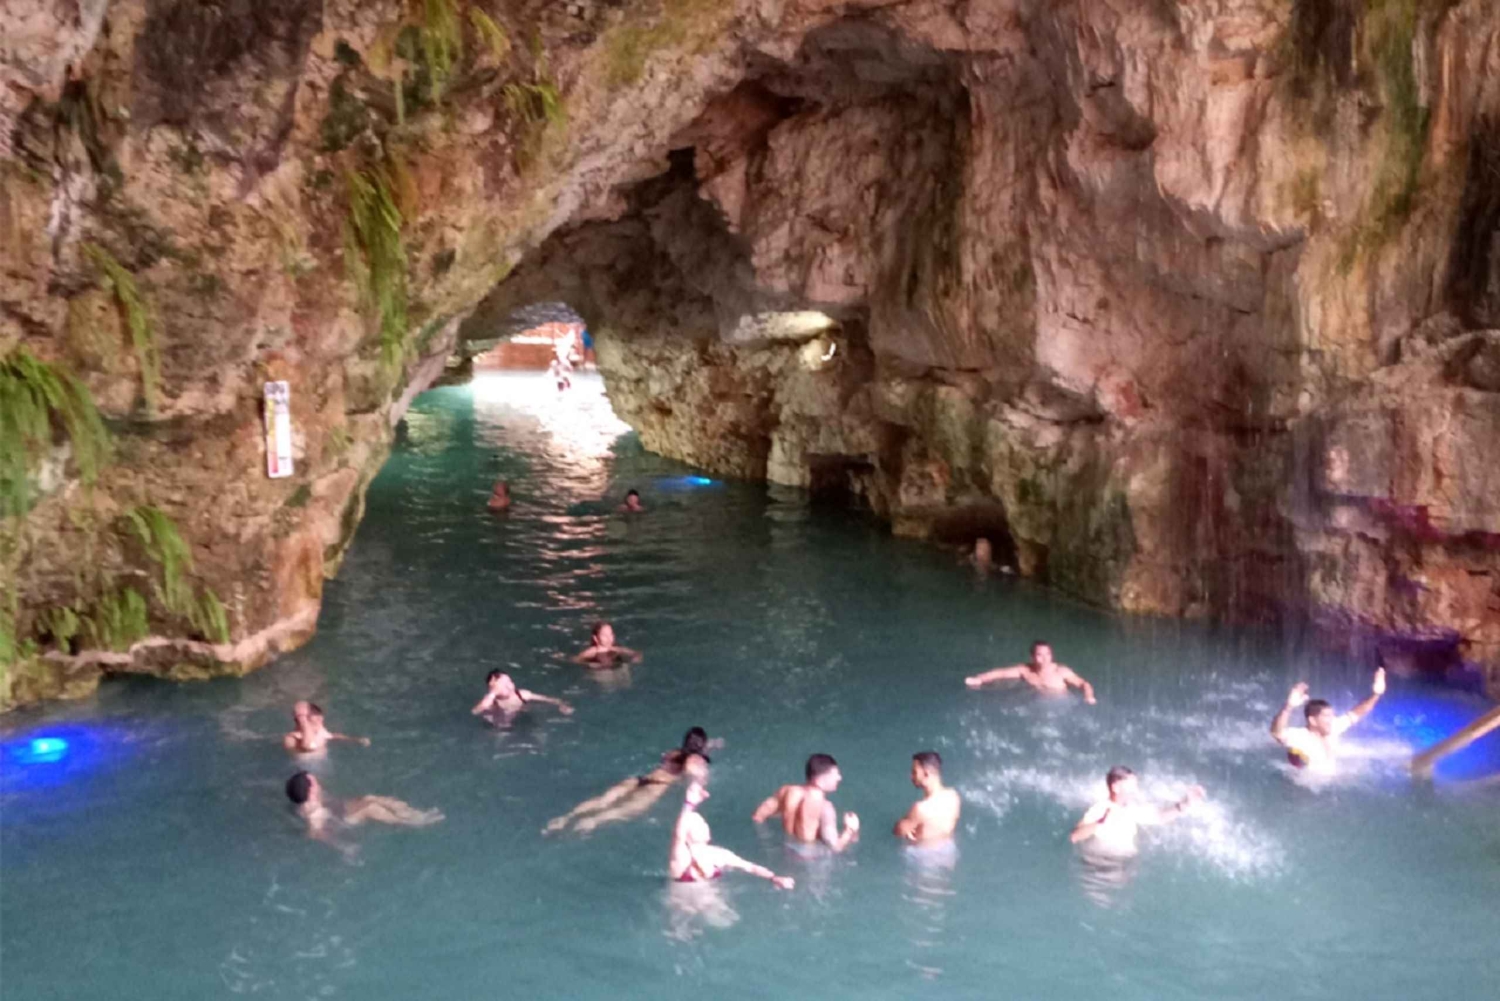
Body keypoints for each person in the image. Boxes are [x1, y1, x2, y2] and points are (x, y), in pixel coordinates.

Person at [545, 727, 718, 834]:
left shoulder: (672, 753)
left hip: (639, 779)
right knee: (618, 812)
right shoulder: (696, 761)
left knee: (602, 800)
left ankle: (565, 818)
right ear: (702, 745)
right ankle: (591, 822)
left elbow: (674, 758)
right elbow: (693, 771)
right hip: (655, 788)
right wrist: (701, 783)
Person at [671, 781, 794, 888]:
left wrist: (773, 878)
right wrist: (689, 803)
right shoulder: (682, 857)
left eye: (703, 822)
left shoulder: (718, 854)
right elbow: (678, 835)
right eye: (697, 824)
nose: (704, 825)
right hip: (684, 908)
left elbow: (750, 867)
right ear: (687, 834)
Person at [1270, 668, 1386, 774]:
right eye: (1326, 716)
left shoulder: (1332, 728)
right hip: (1307, 789)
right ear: (1313, 721)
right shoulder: (1301, 737)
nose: (1331, 720)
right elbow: (1276, 733)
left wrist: (1376, 694)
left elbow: (1356, 713)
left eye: (1332, 716)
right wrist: (1288, 707)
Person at [1069, 766, 1204, 855]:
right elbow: (1074, 836)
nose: (1136, 789)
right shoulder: (1102, 808)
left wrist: (1184, 804)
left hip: (1125, 867)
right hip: (1102, 866)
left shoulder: (1131, 809)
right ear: (1115, 787)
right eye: (1131, 786)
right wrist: (1099, 823)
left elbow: (1160, 817)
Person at [285, 771, 442, 843]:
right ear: (311, 789)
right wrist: (344, 847)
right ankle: (414, 822)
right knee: (370, 807)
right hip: (340, 821)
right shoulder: (312, 813)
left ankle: (413, 813)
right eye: (314, 781)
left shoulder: (310, 799)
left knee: (369, 798)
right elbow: (316, 833)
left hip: (337, 809)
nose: (317, 782)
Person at [751, 753, 860, 852]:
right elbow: (835, 847)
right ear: (821, 778)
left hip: (786, 851)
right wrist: (850, 830)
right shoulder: (825, 807)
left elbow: (758, 817)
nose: (839, 778)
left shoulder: (786, 791)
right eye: (835, 774)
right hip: (811, 862)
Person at [965, 641, 1097, 704]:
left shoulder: (1061, 671)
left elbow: (1083, 684)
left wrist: (1088, 696)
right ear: (1032, 657)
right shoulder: (1026, 670)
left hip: (1061, 704)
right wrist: (980, 679)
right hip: (1036, 703)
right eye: (1040, 655)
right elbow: (1001, 673)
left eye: (1048, 654)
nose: (1044, 658)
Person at [893, 751, 962, 845]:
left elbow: (898, 832)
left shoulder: (920, 809)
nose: (911, 776)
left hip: (922, 854)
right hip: (949, 848)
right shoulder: (953, 796)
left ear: (926, 774)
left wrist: (902, 824)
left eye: (914, 772)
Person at [471, 670, 574, 721]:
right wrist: (493, 693)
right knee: (500, 732)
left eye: (510, 682)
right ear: (492, 688)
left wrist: (562, 704)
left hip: (522, 717)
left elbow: (547, 699)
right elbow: (475, 711)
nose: (509, 686)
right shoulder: (490, 700)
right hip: (500, 721)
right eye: (503, 684)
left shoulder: (521, 695)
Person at [283, 701, 370, 753]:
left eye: (320, 716)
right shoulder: (292, 738)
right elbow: (309, 746)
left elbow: (332, 736)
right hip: (305, 771)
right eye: (315, 718)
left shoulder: (321, 731)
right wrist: (304, 722)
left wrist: (355, 740)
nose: (320, 720)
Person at [572, 622, 642, 668]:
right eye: (604, 635)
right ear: (596, 638)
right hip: (600, 671)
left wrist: (635, 658)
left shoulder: (617, 649)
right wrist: (590, 664)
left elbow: (636, 653)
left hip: (615, 668)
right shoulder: (592, 652)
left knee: (624, 666)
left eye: (610, 634)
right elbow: (575, 660)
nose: (609, 638)